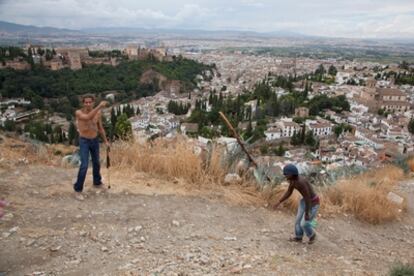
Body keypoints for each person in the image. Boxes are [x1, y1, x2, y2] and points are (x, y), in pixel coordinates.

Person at [273, 164, 320, 244]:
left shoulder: (300, 182)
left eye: (286, 174)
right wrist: (279, 201)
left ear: (292, 174)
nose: (285, 176)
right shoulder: (292, 180)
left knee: (304, 224)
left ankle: (312, 236)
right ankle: (298, 237)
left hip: (312, 203)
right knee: (298, 221)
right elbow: (289, 192)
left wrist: (307, 213)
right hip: (304, 201)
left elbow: (308, 198)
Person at [73, 95, 109, 196]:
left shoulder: (98, 113)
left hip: (95, 140)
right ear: (83, 103)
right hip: (84, 140)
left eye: (90, 102)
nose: (88, 104)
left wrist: (106, 141)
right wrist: (100, 106)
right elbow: (88, 117)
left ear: (93, 102)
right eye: (86, 102)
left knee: (96, 162)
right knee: (84, 165)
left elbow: (100, 128)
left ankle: (97, 182)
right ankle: (78, 188)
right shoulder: (79, 113)